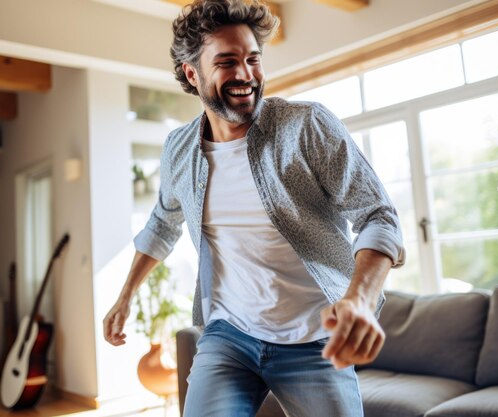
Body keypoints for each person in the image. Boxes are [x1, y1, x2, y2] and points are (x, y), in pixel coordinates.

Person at [104, 0, 405, 416]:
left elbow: (378, 214)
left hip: (315, 339)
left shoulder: (305, 126)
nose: (245, 74)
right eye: (227, 62)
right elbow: (162, 224)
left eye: (253, 59)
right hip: (229, 337)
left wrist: (359, 298)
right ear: (193, 74)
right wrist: (125, 297)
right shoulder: (179, 149)